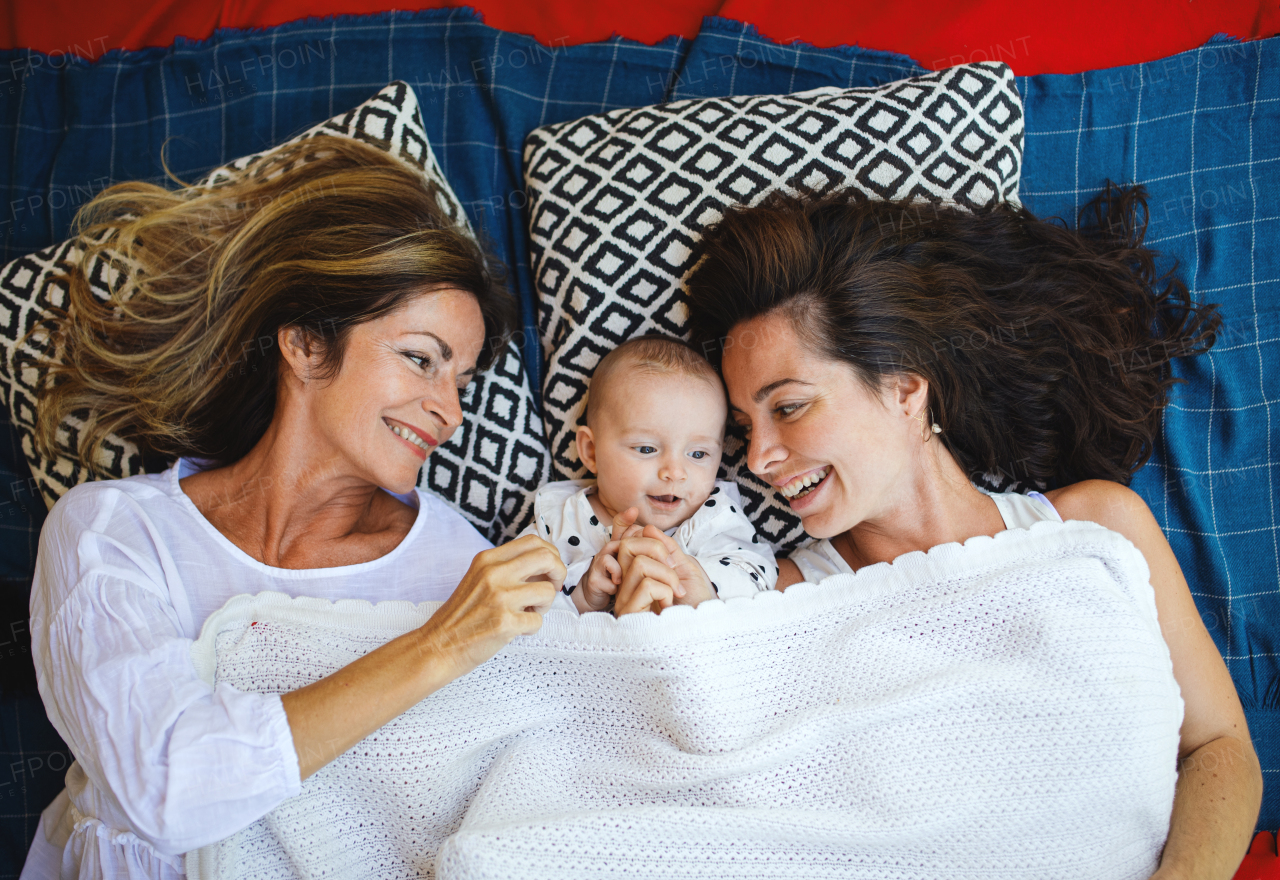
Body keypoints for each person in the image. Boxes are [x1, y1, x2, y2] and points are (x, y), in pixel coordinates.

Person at [20, 136, 566, 879]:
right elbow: (167, 788)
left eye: (462, 381)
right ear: (307, 345)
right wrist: (441, 643)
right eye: (420, 359)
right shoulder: (113, 533)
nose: (449, 412)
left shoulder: (460, 565)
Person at [684, 185, 1263, 880]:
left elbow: (1221, 748)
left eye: (790, 406)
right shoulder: (774, 599)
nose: (756, 458)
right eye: (746, 428)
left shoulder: (1096, 529)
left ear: (904, 387)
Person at [521, 335, 775, 615]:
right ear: (591, 452)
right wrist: (584, 596)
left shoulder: (713, 516)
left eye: (698, 454)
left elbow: (760, 577)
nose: (675, 473)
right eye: (646, 448)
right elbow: (517, 605)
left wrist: (704, 589)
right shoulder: (559, 519)